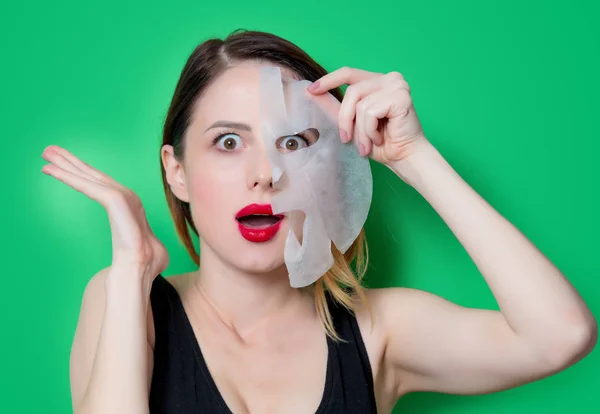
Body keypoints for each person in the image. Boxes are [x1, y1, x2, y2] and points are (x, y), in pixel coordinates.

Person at [41, 30, 597, 414]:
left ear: (330, 165)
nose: (266, 174)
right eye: (229, 142)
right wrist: (131, 271)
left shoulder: (379, 332)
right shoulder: (125, 302)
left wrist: (414, 158)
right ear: (177, 172)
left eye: (294, 142)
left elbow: (560, 336)